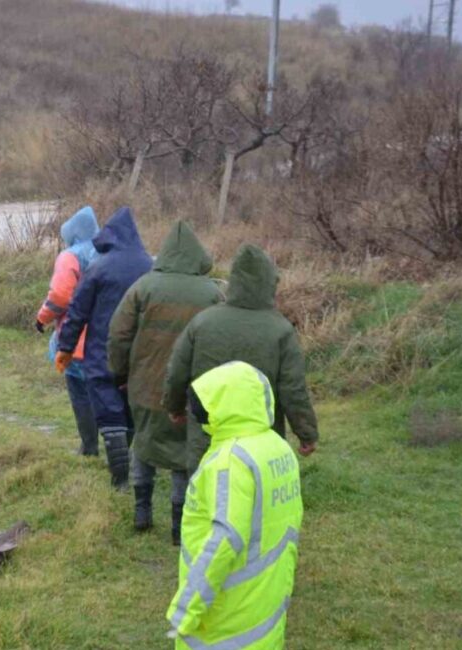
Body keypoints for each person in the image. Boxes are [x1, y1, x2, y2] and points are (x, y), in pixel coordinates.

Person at [165, 361, 304, 649]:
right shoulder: (277, 447)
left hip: (225, 615)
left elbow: (226, 538)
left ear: (223, 405)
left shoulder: (229, 462)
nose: (197, 411)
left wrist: (186, 607)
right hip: (266, 600)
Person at [107, 221, 223, 540]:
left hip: (143, 386)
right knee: (183, 455)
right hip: (192, 391)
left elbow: (118, 335)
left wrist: (119, 373)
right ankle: (178, 524)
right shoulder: (212, 292)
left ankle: (141, 511)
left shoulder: (143, 287)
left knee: (143, 444)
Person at [164, 244, 319, 471]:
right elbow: (293, 389)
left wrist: (174, 407)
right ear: (269, 284)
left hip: (208, 441)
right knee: (254, 501)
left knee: (204, 499)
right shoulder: (281, 330)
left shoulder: (202, 322)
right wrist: (306, 434)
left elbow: (177, 372)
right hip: (260, 446)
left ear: (233, 282)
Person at [57, 206, 152, 489]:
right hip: (139, 353)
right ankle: (132, 468)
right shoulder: (150, 266)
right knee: (130, 408)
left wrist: (65, 347)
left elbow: (77, 311)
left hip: (101, 349)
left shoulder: (100, 267)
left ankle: (120, 478)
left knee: (109, 413)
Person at [35, 206, 101, 456]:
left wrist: (42, 318)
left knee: (80, 392)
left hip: (77, 340)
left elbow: (60, 296)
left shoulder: (71, 256)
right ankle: (118, 448)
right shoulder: (107, 251)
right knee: (105, 392)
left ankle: (89, 446)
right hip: (108, 336)